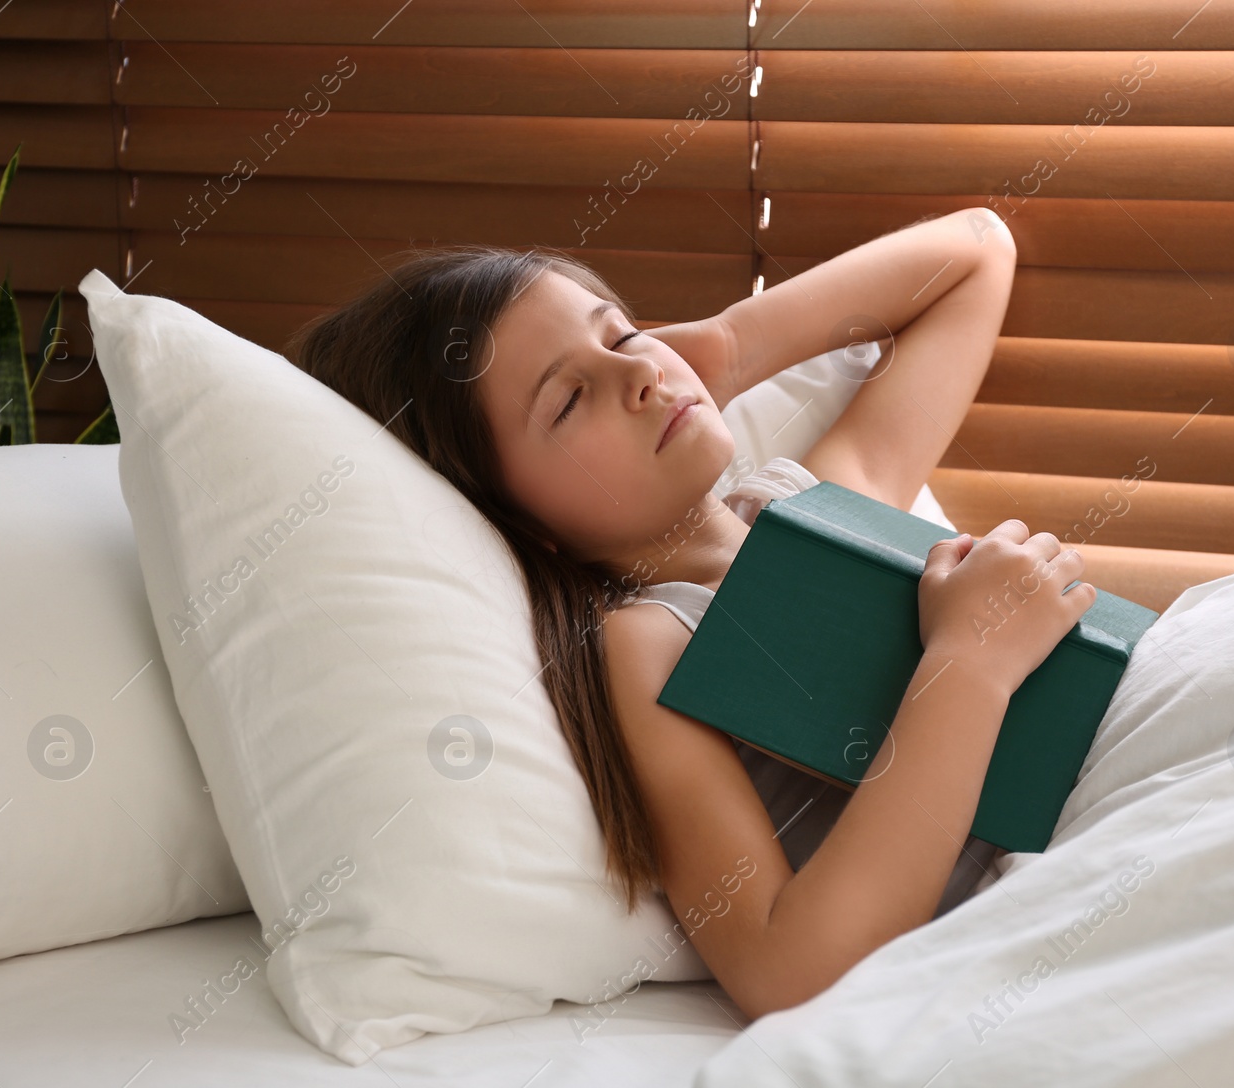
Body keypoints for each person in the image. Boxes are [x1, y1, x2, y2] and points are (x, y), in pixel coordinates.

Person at [289, 207, 1096, 1022]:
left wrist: (730, 344)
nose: (637, 376)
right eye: (569, 400)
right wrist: (969, 662)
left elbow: (978, 254)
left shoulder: (814, 501)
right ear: (525, 524)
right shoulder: (650, 643)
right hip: (1039, 919)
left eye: (622, 335)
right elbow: (788, 971)